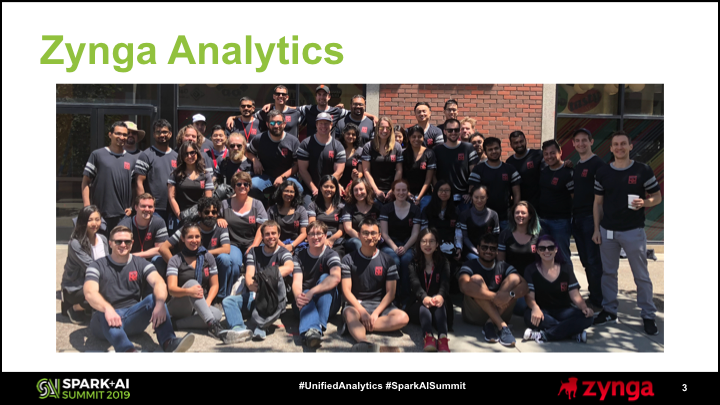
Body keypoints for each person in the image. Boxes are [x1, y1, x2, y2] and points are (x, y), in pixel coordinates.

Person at [592, 131, 662, 335]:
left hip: (633, 231)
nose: (619, 147)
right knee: (608, 273)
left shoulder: (642, 170)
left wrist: (645, 202)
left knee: (641, 275)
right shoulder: (603, 172)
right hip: (608, 231)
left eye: (623, 144)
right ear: (611, 148)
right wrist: (596, 229)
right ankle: (609, 310)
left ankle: (648, 315)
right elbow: (598, 203)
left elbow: (657, 197)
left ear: (630, 146)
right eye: (615, 144)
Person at [84, 226, 196, 352]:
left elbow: (159, 282)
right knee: (102, 312)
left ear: (132, 243)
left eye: (127, 241)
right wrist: (107, 308)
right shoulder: (97, 265)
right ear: (110, 243)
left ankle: (169, 342)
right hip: (104, 323)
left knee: (155, 298)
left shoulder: (141, 263)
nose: (123, 244)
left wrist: (160, 303)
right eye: (118, 241)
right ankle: (128, 351)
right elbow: (89, 292)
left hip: (132, 317)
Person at [340, 218, 410, 352]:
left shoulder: (388, 260)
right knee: (349, 313)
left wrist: (376, 313)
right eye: (365, 233)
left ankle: (356, 326)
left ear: (379, 236)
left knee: (403, 318)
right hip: (356, 305)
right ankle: (365, 343)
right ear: (359, 235)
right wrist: (362, 311)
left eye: (373, 233)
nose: (369, 237)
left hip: (380, 305)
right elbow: (346, 291)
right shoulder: (348, 259)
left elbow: (391, 293)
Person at [220, 221, 294, 342]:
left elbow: (289, 267)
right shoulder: (253, 252)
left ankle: (260, 327)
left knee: (267, 297)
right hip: (256, 293)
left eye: (273, 233)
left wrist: (263, 278)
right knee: (228, 301)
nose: (271, 237)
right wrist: (256, 286)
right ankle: (238, 329)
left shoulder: (283, 252)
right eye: (267, 234)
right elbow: (249, 275)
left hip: (273, 298)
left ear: (279, 235)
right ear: (262, 236)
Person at [458, 233, 528, 347]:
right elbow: (464, 286)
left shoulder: (503, 266)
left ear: (497, 251)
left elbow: (525, 286)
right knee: (476, 279)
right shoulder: (470, 264)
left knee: (515, 278)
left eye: (492, 248)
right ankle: (502, 326)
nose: (488, 251)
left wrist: (510, 294)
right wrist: (495, 296)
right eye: (484, 247)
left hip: (501, 311)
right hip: (475, 315)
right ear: (478, 249)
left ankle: (490, 323)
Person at [159, 197, 234, 300]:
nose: (210, 215)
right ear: (199, 213)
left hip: (210, 263)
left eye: (214, 212)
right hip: (188, 264)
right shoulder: (189, 228)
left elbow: (226, 249)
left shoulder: (221, 227)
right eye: (206, 212)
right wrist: (176, 265)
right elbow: (163, 248)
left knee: (225, 259)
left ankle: (220, 298)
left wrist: (203, 254)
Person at [523, 235, 594, 343]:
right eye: (542, 248)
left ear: (556, 249)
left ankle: (544, 335)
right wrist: (535, 308)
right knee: (529, 315)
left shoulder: (566, 268)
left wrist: (584, 307)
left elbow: (575, 295)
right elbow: (529, 297)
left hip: (564, 311)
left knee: (588, 317)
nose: (547, 251)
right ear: (537, 251)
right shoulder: (530, 270)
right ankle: (571, 333)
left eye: (550, 248)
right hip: (542, 311)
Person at [165, 223, 224, 338]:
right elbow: (171, 289)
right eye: (190, 237)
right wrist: (189, 291)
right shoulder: (175, 260)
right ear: (183, 238)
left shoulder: (208, 257)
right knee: (193, 283)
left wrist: (208, 302)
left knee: (217, 314)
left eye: (197, 237)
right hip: (179, 304)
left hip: (199, 303)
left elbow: (215, 285)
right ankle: (212, 326)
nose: (194, 240)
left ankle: (176, 324)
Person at [291, 221, 343, 347]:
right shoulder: (299, 256)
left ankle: (312, 326)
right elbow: (297, 282)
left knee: (326, 277)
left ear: (325, 236)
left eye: (319, 233)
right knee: (303, 292)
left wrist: (312, 292)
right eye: (311, 234)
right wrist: (299, 297)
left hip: (328, 304)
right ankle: (315, 331)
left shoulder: (331, 254)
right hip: (304, 303)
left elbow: (336, 277)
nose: (315, 237)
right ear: (307, 237)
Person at [570, 128, 606, 310]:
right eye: (577, 141)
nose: (581, 144)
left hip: (590, 219)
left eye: (584, 140)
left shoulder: (598, 164)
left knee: (593, 261)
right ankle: (594, 295)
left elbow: (602, 198)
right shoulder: (578, 165)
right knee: (586, 261)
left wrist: (597, 227)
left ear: (591, 142)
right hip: (577, 218)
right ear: (573, 144)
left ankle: (598, 300)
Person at [82, 121, 136, 236]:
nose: (122, 137)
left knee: (120, 246)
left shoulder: (131, 159)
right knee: (100, 245)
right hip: (100, 215)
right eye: (118, 133)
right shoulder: (97, 155)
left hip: (123, 216)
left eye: (124, 134)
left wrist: (132, 207)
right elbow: (85, 182)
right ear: (110, 135)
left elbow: (134, 186)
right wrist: (87, 208)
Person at [61, 205, 109, 324]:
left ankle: (92, 308)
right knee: (108, 290)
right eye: (90, 220)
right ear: (82, 222)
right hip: (76, 287)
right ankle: (74, 308)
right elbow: (91, 267)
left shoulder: (103, 239)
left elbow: (108, 262)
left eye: (97, 219)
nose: (94, 223)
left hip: (95, 281)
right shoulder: (75, 243)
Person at [407, 228, 452, 352]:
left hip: (439, 304)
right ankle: (428, 337)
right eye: (424, 241)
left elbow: (445, 284)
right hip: (419, 304)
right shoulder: (413, 264)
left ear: (437, 244)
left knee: (440, 305)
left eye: (431, 241)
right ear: (419, 244)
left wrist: (440, 296)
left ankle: (443, 338)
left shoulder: (444, 262)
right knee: (424, 307)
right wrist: (424, 297)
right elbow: (415, 284)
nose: (428, 245)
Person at [379, 179, 422, 306]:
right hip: (390, 244)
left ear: (408, 191)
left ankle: (406, 298)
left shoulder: (415, 209)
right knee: (395, 261)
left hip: (408, 244)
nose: (401, 192)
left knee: (406, 260)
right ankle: (393, 297)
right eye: (398, 190)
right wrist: (395, 247)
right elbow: (384, 233)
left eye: (404, 190)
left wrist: (405, 247)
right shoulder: (386, 208)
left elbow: (415, 234)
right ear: (393, 191)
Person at [218, 171, 268, 276]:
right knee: (234, 263)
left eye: (246, 184)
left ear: (249, 187)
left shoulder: (257, 204)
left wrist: (254, 245)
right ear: (234, 186)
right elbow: (214, 216)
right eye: (239, 184)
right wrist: (218, 219)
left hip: (251, 242)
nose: (242, 186)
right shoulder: (224, 204)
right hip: (233, 243)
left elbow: (262, 227)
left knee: (255, 263)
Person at [246, 109, 303, 201]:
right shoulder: (259, 139)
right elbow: (247, 152)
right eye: (272, 123)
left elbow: (297, 165)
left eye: (279, 123)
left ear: (284, 124)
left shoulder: (293, 141)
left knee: (299, 189)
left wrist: (282, 177)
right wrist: (255, 160)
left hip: (287, 177)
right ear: (267, 124)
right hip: (266, 177)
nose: (276, 126)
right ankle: (263, 206)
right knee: (252, 186)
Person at [498, 200, 543, 316]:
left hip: (533, 281)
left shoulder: (538, 235)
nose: (520, 215)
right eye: (517, 213)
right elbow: (501, 263)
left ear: (530, 215)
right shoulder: (505, 234)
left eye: (523, 213)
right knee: (521, 308)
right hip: (514, 282)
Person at [468, 136, 521, 230]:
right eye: (490, 149)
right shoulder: (478, 169)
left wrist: (514, 211)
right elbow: (472, 191)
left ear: (501, 149)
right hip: (484, 217)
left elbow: (517, 194)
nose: (494, 151)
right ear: (485, 152)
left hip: (505, 218)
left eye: (496, 148)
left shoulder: (510, 169)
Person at [297, 111, 346, 206]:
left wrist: (326, 188)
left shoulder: (338, 146)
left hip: (331, 189)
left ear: (331, 125)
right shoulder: (306, 144)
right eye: (321, 123)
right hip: (310, 189)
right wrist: (314, 189)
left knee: (340, 209)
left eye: (326, 123)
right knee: (309, 210)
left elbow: (339, 172)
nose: (323, 126)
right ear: (316, 125)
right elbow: (302, 170)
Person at [537, 139, 574, 265]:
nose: (549, 156)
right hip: (542, 221)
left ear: (560, 152)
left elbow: (574, 197)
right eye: (546, 154)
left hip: (561, 222)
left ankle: (568, 278)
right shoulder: (543, 171)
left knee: (562, 256)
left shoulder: (568, 172)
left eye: (552, 153)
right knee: (544, 256)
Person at [135, 119, 178, 224]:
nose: (162, 135)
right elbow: (139, 182)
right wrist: (144, 205)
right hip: (154, 209)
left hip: (173, 208)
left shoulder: (176, 156)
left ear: (170, 134)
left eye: (164, 132)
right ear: (154, 135)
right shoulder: (146, 155)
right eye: (158, 132)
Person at [432, 118, 478, 211]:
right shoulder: (437, 150)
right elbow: (432, 174)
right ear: (444, 132)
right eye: (450, 130)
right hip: (443, 196)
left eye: (456, 130)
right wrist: (438, 191)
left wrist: (470, 192)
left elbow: (474, 172)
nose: (453, 132)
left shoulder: (468, 148)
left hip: (464, 197)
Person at [167, 141, 214, 230]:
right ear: (181, 156)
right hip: (179, 217)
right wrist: (179, 216)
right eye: (186, 154)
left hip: (199, 217)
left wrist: (201, 215)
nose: (189, 156)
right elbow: (171, 197)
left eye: (192, 152)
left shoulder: (205, 174)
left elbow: (208, 199)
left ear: (197, 153)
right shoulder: (175, 174)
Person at [117, 194, 168, 277]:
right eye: (143, 206)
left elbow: (161, 249)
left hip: (149, 260)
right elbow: (120, 250)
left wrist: (138, 255)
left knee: (159, 260)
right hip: (129, 261)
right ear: (136, 207)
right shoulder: (124, 225)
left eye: (150, 207)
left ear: (154, 209)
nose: (147, 209)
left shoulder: (159, 222)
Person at [227, 85, 303, 137]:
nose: (280, 96)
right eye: (278, 94)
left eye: (283, 94)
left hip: (290, 151)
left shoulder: (296, 113)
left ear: (287, 97)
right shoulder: (265, 112)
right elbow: (248, 116)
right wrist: (233, 117)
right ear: (274, 96)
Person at [361, 117, 403, 203]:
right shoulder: (368, 146)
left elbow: (399, 170)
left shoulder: (397, 147)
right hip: (373, 191)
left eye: (387, 128)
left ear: (391, 130)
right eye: (381, 127)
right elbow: (366, 171)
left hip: (392, 191)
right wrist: (376, 191)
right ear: (377, 128)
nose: (384, 130)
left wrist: (393, 190)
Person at [420, 180, 461, 266]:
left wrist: (459, 248)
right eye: (441, 190)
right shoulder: (427, 210)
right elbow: (424, 230)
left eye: (447, 190)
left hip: (449, 245)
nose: (444, 193)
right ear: (436, 191)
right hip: (432, 245)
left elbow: (458, 232)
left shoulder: (456, 211)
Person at [457, 185, 500, 261]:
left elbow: (495, 236)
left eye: (482, 197)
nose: (479, 200)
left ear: (487, 197)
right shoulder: (464, 215)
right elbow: (465, 237)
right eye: (476, 197)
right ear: (471, 197)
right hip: (470, 251)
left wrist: (487, 251)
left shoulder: (494, 215)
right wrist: (477, 252)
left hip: (488, 251)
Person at [266, 180, 309, 255]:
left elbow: (304, 233)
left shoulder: (300, 210)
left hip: (297, 246)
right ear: (281, 192)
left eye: (291, 192)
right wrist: (284, 247)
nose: (289, 194)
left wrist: (292, 246)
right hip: (276, 245)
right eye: (286, 191)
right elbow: (269, 232)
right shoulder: (272, 210)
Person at [307, 175, 346, 256]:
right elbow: (312, 226)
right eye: (326, 186)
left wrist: (330, 240)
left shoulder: (341, 207)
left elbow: (341, 230)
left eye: (332, 187)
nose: (329, 189)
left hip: (335, 242)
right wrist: (322, 240)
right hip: (317, 240)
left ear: (336, 189)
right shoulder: (313, 205)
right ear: (320, 188)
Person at [341, 178, 382, 254]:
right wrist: (364, 239)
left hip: (373, 239)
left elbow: (381, 227)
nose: (359, 192)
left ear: (367, 190)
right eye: (356, 190)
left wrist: (371, 239)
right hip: (354, 240)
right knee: (358, 243)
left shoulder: (376, 206)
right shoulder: (348, 207)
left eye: (361, 189)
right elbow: (348, 229)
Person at [506, 130, 544, 209]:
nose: (519, 145)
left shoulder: (538, 155)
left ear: (525, 141)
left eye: (521, 141)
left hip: (540, 205)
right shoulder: (509, 162)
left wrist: (565, 163)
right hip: (522, 206)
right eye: (516, 143)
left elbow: (553, 166)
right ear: (511, 145)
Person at [402, 125, 437, 211]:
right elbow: (402, 177)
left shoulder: (429, 154)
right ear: (409, 138)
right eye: (413, 137)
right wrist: (408, 193)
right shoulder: (404, 154)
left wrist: (419, 198)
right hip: (406, 193)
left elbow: (428, 179)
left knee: (424, 211)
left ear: (423, 137)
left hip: (425, 194)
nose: (416, 139)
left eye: (419, 136)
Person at [338, 123, 363, 191]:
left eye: (353, 134)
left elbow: (361, 172)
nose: (350, 136)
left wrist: (357, 175)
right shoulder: (338, 149)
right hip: (338, 187)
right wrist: (338, 185)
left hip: (353, 187)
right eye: (348, 134)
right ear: (343, 134)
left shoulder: (360, 151)